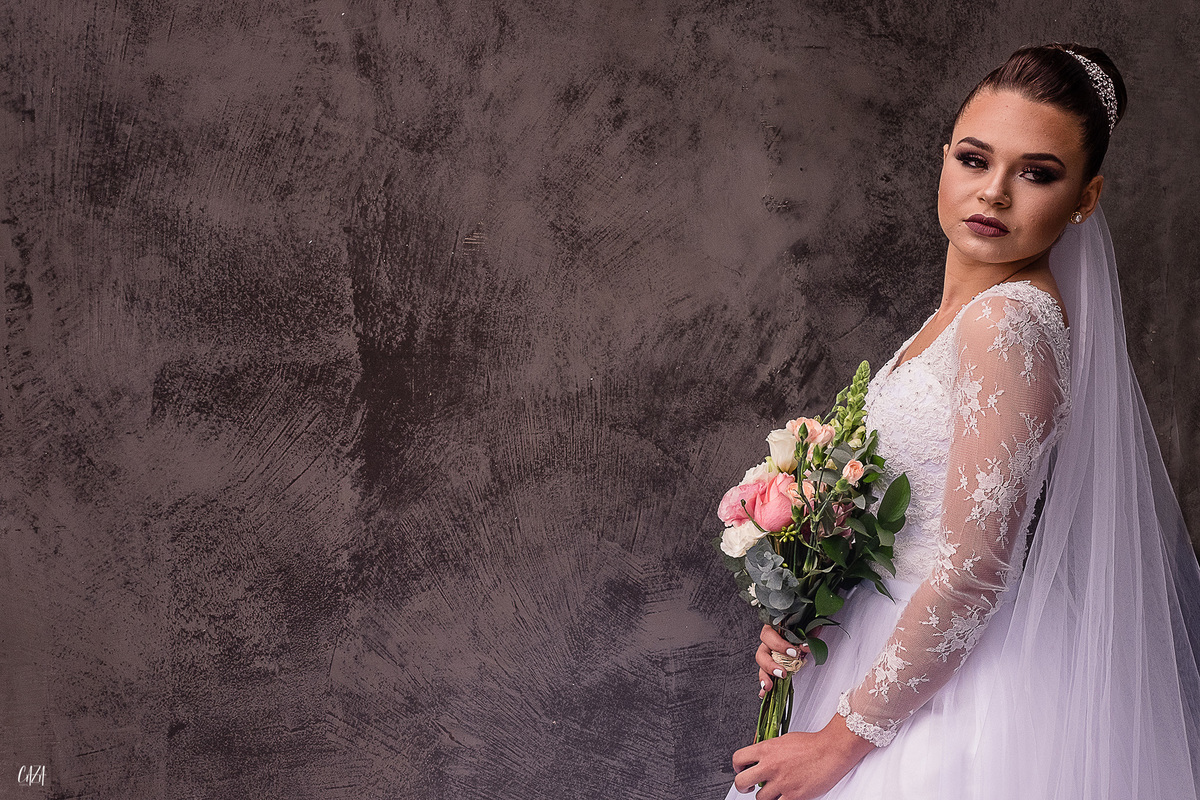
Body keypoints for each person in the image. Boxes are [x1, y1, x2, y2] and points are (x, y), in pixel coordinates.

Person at [726, 43, 1200, 800]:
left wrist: (838, 746)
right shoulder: (957, 318)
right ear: (944, 159)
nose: (995, 193)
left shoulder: (1004, 324)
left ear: (1086, 198)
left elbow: (975, 570)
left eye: (1037, 174)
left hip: (957, 702)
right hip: (889, 657)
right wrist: (805, 607)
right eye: (975, 159)